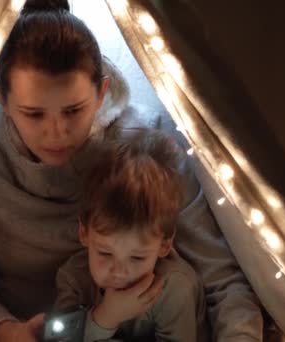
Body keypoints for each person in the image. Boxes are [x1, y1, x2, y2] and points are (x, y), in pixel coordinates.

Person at [0, 0, 263, 341]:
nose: (56, 133)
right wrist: (7, 332)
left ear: (101, 93)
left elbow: (222, 279)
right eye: (34, 114)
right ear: (3, 100)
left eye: (73, 110)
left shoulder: (147, 145)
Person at [54, 128, 207, 341]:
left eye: (137, 257)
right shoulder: (73, 278)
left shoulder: (174, 289)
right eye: (105, 253)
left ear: (164, 245)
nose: (119, 271)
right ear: (84, 233)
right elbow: (58, 338)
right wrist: (106, 317)